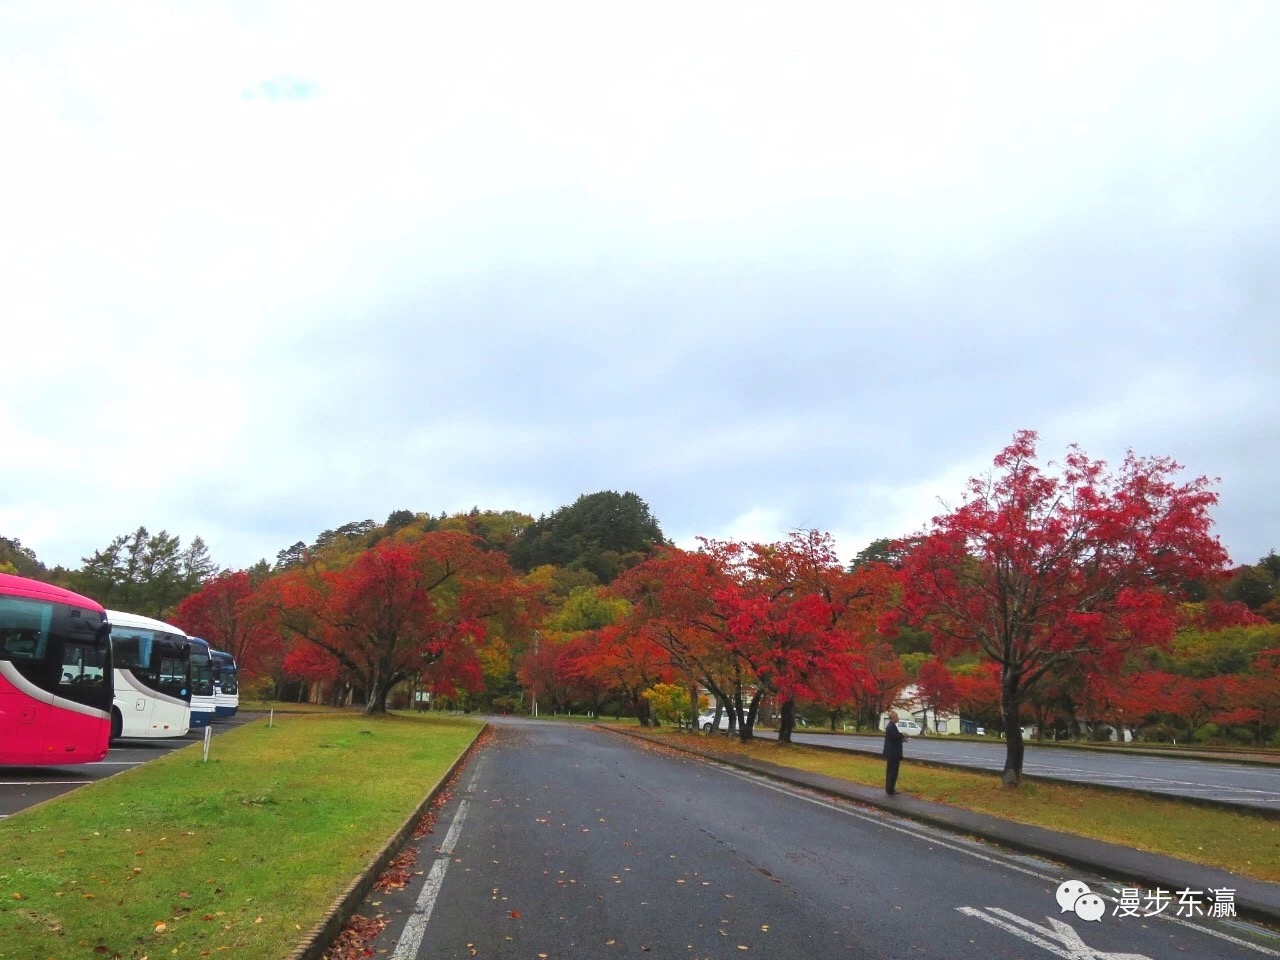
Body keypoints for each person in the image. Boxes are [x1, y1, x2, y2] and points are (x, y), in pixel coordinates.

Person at [883, 710, 908, 795]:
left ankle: (890, 788)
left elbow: (894, 737)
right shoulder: (891, 726)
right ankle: (890, 789)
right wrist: (901, 736)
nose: (898, 718)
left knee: (891, 771)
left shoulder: (891, 726)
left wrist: (901, 737)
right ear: (893, 718)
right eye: (897, 716)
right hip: (893, 753)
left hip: (891, 753)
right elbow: (895, 737)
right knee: (893, 772)